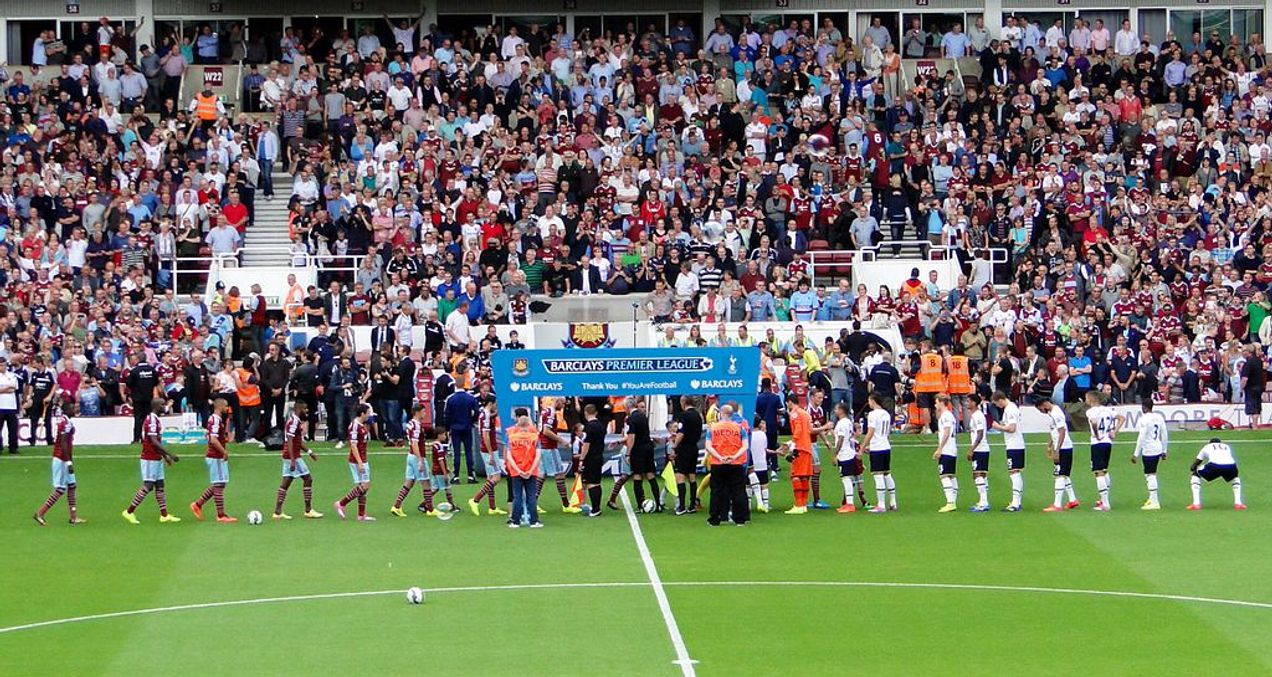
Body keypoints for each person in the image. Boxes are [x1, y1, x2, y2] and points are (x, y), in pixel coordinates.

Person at [122, 400, 182, 524]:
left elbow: (156, 442)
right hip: (149, 458)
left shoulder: (155, 419)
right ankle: (129, 511)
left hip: (156, 457)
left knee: (160, 485)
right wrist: (170, 454)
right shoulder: (152, 420)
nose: (164, 407)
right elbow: (153, 441)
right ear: (155, 407)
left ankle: (164, 515)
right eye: (162, 405)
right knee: (148, 485)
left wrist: (164, 457)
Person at [34, 398, 85, 525]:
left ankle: (73, 517)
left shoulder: (66, 421)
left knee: (72, 486)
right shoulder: (65, 423)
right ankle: (40, 513)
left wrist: (71, 461)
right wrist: (68, 462)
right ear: (67, 409)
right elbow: (62, 443)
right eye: (72, 407)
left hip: (65, 458)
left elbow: (68, 443)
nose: (75, 409)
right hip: (61, 459)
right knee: (60, 488)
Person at [274, 400, 323, 520]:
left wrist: (309, 452)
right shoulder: (294, 422)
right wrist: (292, 459)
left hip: (291, 455)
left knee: (287, 481)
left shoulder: (295, 420)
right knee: (307, 479)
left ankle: (277, 512)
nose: (306, 411)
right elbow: (289, 440)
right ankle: (308, 510)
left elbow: (297, 441)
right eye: (305, 409)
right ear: (299, 409)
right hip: (293, 456)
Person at [190, 398, 236, 522]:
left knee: (219, 483)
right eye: (226, 406)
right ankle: (220, 515)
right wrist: (224, 451)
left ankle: (198, 504)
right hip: (215, 456)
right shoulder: (215, 420)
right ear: (220, 406)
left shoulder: (215, 419)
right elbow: (213, 439)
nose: (227, 409)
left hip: (214, 456)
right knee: (219, 484)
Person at [706, 404, 749, 526]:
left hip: (718, 463)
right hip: (735, 463)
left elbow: (708, 446)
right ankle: (740, 518)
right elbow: (745, 446)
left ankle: (715, 518)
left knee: (716, 491)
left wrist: (719, 457)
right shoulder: (739, 428)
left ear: (721, 413)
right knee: (738, 491)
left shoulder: (713, 428)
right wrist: (734, 456)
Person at [537, 398, 581, 513]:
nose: (564, 405)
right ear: (557, 402)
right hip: (549, 448)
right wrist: (561, 440)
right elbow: (546, 431)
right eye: (562, 402)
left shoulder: (545, 411)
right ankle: (566, 505)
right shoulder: (551, 413)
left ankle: (533, 503)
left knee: (541, 475)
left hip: (542, 446)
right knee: (560, 475)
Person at [1085, 391, 1125, 511]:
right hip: (1108, 442)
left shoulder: (1091, 411)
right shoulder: (1108, 410)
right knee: (1104, 470)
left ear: (1091, 399)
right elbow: (1122, 418)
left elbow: (1094, 422)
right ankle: (1103, 500)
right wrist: (1115, 431)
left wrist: (1097, 435)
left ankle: (1105, 503)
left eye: (1086, 399)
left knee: (1098, 472)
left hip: (1097, 443)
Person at [1037, 398, 1079, 512]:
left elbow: (1062, 431)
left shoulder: (1056, 413)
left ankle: (1057, 504)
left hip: (1064, 447)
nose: (1042, 411)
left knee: (1060, 475)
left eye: (1040, 409)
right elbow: (1053, 431)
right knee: (1063, 474)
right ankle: (1072, 499)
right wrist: (1049, 445)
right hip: (1061, 446)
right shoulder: (1052, 413)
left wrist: (1057, 449)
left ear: (1044, 404)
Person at [335, 403, 375, 521]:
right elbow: (353, 445)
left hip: (362, 458)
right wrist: (360, 462)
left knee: (362, 486)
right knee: (365, 485)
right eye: (367, 413)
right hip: (357, 460)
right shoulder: (354, 426)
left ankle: (361, 515)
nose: (368, 415)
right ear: (362, 414)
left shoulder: (361, 425)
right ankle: (341, 503)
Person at [469, 399, 508, 516]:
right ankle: (475, 500)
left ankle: (492, 507)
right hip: (489, 450)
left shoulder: (484, 414)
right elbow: (485, 435)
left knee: (490, 477)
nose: (496, 406)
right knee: (496, 477)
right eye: (496, 404)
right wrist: (491, 453)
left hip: (487, 449)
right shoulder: (485, 415)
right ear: (491, 403)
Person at [391, 405, 431, 517]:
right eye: (423, 411)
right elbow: (415, 443)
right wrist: (420, 460)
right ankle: (430, 509)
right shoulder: (417, 425)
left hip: (410, 456)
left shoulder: (410, 424)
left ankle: (396, 506)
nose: (425, 414)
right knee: (426, 482)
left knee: (409, 482)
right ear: (417, 412)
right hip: (416, 456)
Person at [505, 412, 543, 528]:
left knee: (517, 496)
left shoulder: (511, 437)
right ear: (528, 426)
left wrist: (517, 469)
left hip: (516, 471)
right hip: (531, 470)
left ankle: (515, 521)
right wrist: (531, 470)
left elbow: (509, 456)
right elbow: (538, 455)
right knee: (531, 496)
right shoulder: (535, 438)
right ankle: (534, 520)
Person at [624, 398, 662, 512]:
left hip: (638, 449)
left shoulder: (631, 419)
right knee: (650, 475)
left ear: (627, 407)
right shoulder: (643, 416)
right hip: (648, 448)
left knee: (637, 475)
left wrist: (628, 453)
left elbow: (632, 437)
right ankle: (658, 504)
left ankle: (640, 505)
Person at [990, 390, 1025, 511]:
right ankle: (1017, 501)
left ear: (1000, 400)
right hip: (1015, 444)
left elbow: (1012, 428)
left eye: (996, 403)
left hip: (1014, 444)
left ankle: (1016, 503)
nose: (997, 406)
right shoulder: (1010, 408)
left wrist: (998, 427)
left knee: (1014, 472)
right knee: (1015, 472)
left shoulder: (1010, 409)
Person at [861, 393, 896, 513]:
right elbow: (886, 432)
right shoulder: (886, 413)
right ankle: (893, 502)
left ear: (872, 400)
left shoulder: (872, 414)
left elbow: (871, 432)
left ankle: (881, 505)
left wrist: (862, 447)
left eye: (869, 401)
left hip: (877, 448)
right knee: (887, 473)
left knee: (878, 475)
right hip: (886, 446)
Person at [1188, 438, 1245, 511]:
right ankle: (1238, 503)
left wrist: (1193, 468)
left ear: (1210, 443)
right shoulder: (1226, 446)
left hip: (1215, 465)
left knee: (1196, 475)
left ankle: (1196, 504)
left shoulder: (1207, 446)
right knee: (1235, 479)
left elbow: (1198, 460)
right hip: (1231, 465)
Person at [1132, 400, 1169, 510]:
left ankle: (1155, 502)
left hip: (1149, 450)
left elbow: (1141, 437)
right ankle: (1151, 498)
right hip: (1157, 448)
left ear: (1144, 407)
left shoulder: (1144, 419)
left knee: (1150, 475)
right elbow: (1164, 433)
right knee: (1150, 474)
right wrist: (1164, 450)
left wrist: (1136, 454)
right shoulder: (1159, 417)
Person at [670, 396, 704, 514]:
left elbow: (681, 433)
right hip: (694, 447)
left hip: (684, 448)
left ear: (683, 402)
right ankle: (692, 504)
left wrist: (674, 445)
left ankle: (682, 506)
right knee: (692, 476)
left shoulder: (684, 416)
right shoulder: (698, 416)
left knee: (680, 476)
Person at [831, 402, 864, 513]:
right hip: (849, 452)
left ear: (841, 410)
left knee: (846, 479)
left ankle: (849, 504)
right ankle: (848, 503)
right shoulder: (848, 422)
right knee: (848, 478)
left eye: (836, 409)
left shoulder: (841, 423)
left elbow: (840, 439)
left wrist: (835, 454)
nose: (835, 411)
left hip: (844, 454)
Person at [443, 386, 481, 483]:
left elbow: (447, 415)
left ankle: (456, 476)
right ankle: (470, 476)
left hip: (455, 428)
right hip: (467, 427)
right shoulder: (470, 398)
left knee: (457, 452)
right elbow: (477, 412)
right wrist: (472, 421)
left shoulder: (451, 399)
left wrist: (448, 427)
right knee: (469, 451)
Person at [577, 404, 609, 517]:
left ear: (586, 413)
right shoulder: (601, 425)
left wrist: (582, 459)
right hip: (599, 456)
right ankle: (596, 507)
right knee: (596, 482)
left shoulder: (588, 427)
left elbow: (586, 445)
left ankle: (595, 509)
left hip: (590, 458)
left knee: (591, 483)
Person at [785, 397, 814, 515]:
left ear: (790, 402)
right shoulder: (806, 413)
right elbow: (810, 430)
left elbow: (798, 429)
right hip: (807, 447)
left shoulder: (794, 414)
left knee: (796, 475)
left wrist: (793, 443)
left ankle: (798, 504)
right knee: (805, 476)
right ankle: (804, 504)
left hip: (800, 448)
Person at [932, 394, 959, 512]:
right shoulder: (946, 415)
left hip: (947, 449)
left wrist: (940, 448)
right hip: (951, 449)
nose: (935, 405)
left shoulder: (946, 416)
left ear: (942, 403)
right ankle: (953, 501)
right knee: (951, 475)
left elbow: (947, 433)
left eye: (936, 402)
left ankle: (950, 502)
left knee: (944, 475)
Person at [965, 393, 992, 512]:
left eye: (968, 401)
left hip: (980, 449)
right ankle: (983, 501)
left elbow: (980, 434)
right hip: (980, 449)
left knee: (978, 475)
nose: (966, 403)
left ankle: (984, 502)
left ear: (974, 403)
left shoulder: (978, 416)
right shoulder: (975, 416)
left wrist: (972, 449)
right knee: (980, 475)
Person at [806, 388, 832, 509]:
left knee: (812, 471)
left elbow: (818, 427)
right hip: (807, 444)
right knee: (816, 470)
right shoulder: (807, 411)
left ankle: (810, 500)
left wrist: (825, 440)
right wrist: (825, 427)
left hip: (814, 443)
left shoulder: (820, 410)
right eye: (818, 397)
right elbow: (810, 430)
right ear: (812, 397)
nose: (821, 400)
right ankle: (816, 500)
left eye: (822, 398)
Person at [25, 355, 56, 446]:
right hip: (36, 400)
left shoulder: (49, 373)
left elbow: (54, 385)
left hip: (46, 400)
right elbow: (31, 385)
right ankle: (32, 439)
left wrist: (50, 396)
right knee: (33, 420)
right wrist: (29, 396)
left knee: (47, 420)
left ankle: (49, 439)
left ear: (40, 363)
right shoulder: (34, 374)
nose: (33, 365)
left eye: (35, 363)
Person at [746, 417, 772, 513]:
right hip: (762, 463)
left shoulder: (749, 435)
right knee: (764, 485)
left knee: (748, 485)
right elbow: (765, 447)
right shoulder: (763, 435)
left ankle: (748, 504)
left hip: (752, 463)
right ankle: (765, 504)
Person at [0, 357, 20, 454]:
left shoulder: (12, 375)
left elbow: (14, 388)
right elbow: (10, 388)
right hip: (0, 405)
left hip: (11, 406)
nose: (2, 367)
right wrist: (7, 387)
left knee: (13, 429)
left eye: (3, 365)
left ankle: (13, 447)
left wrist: (3, 388)